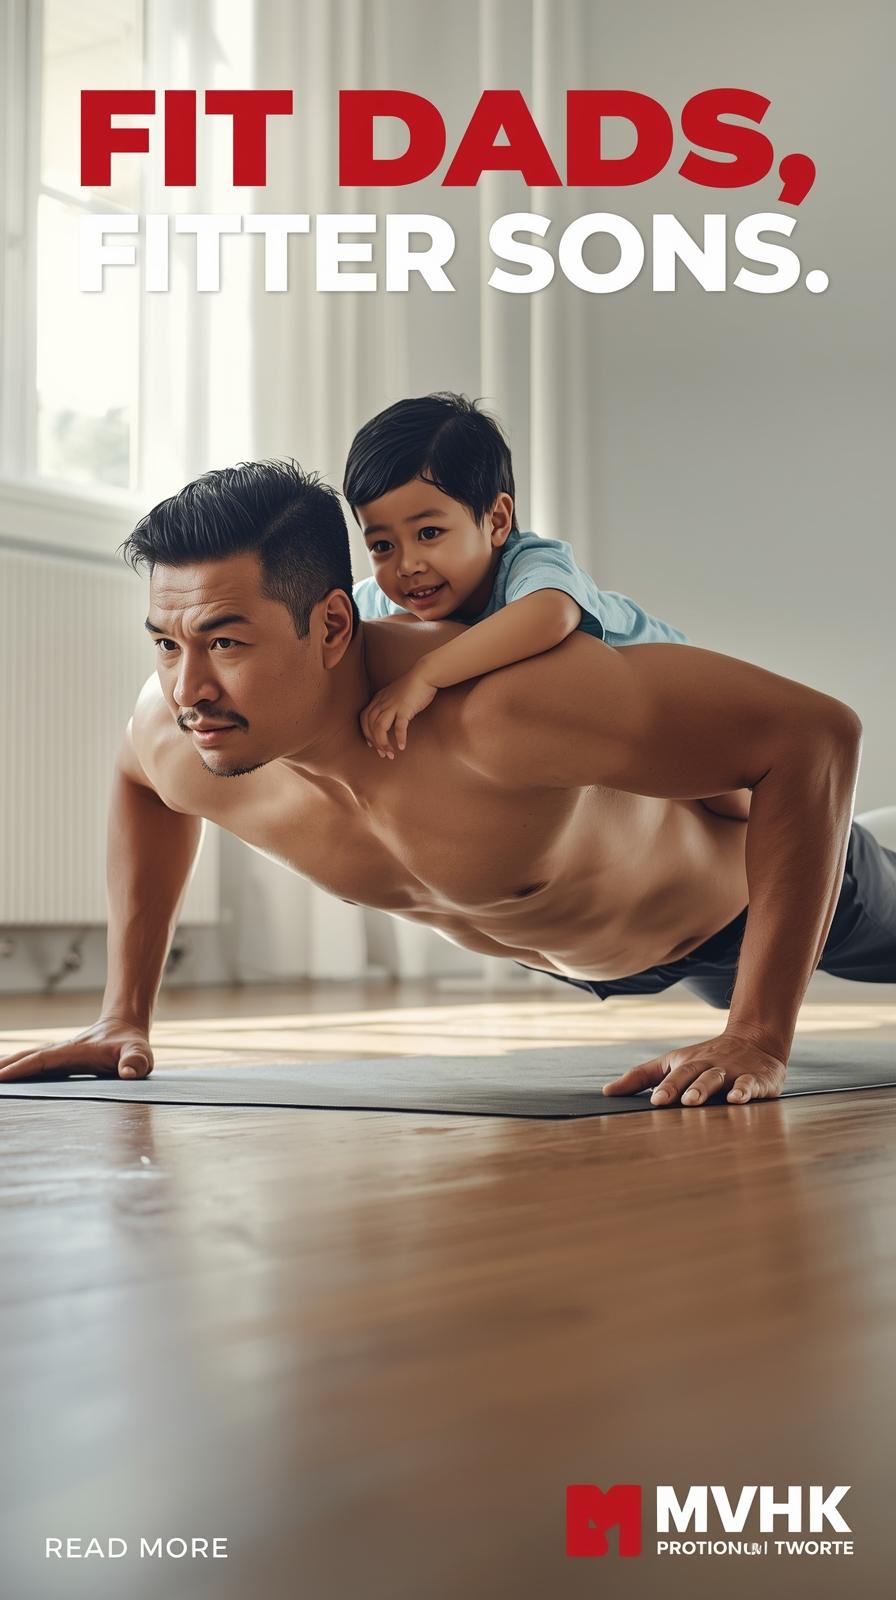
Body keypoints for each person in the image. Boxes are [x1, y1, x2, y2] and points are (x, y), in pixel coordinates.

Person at [0, 459, 889, 1111]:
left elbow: (814, 737)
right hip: (636, 956)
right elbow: (137, 781)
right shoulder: (180, 734)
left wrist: (759, 1034)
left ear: (335, 625)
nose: (189, 687)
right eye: (166, 643)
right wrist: (124, 1015)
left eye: (227, 643)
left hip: (770, 906)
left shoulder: (500, 710)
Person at [346, 393, 750, 821]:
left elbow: (550, 616)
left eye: (429, 532)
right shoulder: (381, 598)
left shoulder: (530, 563)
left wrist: (424, 674)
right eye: (382, 545)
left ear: (498, 521)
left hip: (669, 688)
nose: (407, 565)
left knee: (728, 795)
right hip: (596, 723)